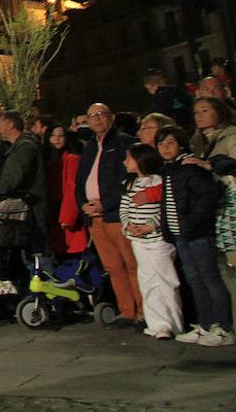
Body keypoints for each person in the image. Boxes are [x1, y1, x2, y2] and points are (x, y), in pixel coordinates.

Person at [185, 96, 236, 339]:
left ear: (220, 112)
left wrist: (209, 167)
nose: (199, 115)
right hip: (224, 213)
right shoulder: (204, 143)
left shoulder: (233, 137)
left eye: (205, 110)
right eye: (196, 111)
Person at [157, 126, 236, 346]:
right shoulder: (169, 169)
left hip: (198, 233)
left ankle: (224, 328)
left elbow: (207, 198)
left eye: (170, 143)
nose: (165, 148)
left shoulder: (190, 167)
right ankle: (205, 324)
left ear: (181, 144)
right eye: (161, 144)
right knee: (194, 280)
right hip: (180, 234)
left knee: (210, 278)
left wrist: (191, 224)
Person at [75, 101, 142, 328]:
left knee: (131, 264)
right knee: (113, 267)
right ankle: (126, 311)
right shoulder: (90, 147)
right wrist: (83, 204)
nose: (96, 119)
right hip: (94, 218)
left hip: (115, 215)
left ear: (111, 117)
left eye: (101, 114)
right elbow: (81, 180)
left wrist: (106, 203)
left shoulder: (124, 143)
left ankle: (143, 310)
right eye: (91, 115)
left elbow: (125, 178)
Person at [120, 143, 183, 340]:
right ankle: (156, 323)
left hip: (157, 240)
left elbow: (164, 209)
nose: (125, 162)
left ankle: (173, 323)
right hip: (138, 240)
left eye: (128, 158)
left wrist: (151, 226)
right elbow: (124, 206)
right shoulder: (129, 184)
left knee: (165, 279)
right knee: (147, 280)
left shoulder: (160, 183)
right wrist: (127, 224)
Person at [0, 111, 47, 254]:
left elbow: (13, 175)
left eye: (1, 125)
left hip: (33, 210)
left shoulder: (25, 147)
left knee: (39, 254)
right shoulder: (19, 147)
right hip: (26, 210)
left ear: (11, 124)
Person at [45, 125, 87, 256]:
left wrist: (67, 217)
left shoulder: (72, 159)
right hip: (51, 212)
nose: (57, 139)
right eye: (53, 135)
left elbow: (72, 189)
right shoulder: (47, 159)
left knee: (70, 252)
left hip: (65, 214)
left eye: (61, 135)